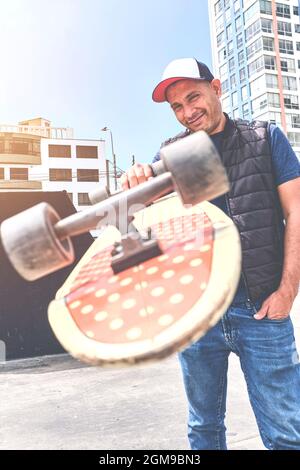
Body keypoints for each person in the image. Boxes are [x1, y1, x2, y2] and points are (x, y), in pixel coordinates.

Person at [121, 57, 300, 450]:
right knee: (203, 429)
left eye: (193, 97)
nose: (188, 112)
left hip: (262, 310)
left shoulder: (264, 138)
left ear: (216, 88)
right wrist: (133, 182)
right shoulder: (170, 156)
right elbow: (137, 221)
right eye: (177, 107)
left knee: (286, 433)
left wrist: (287, 290)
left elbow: (296, 213)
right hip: (198, 315)